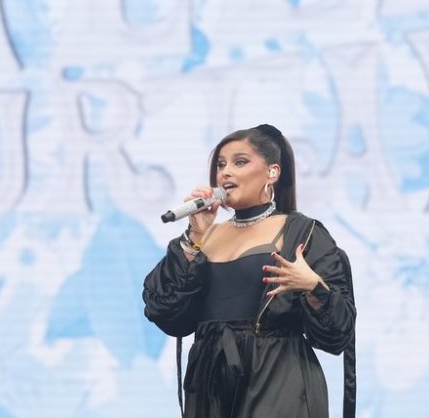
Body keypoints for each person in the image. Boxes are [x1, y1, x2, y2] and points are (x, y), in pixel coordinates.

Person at [142, 124, 357, 417]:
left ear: (272, 172)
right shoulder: (203, 237)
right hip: (211, 383)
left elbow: (338, 333)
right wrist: (193, 238)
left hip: (279, 381)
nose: (225, 172)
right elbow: (166, 312)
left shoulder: (302, 232)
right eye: (220, 164)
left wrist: (313, 288)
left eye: (239, 162)